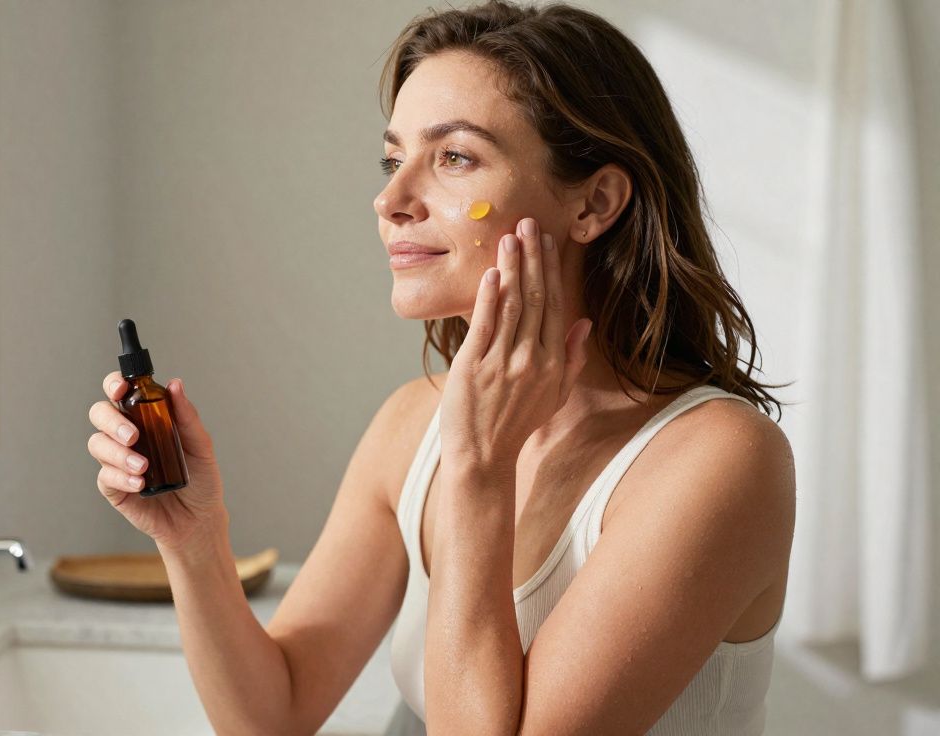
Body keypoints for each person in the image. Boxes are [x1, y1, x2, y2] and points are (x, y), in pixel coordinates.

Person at [86, 1, 796, 733]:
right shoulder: (411, 425)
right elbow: (275, 714)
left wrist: (479, 469)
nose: (390, 199)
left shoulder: (719, 461)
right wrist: (194, 542)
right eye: (394, 159)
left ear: (595, 202)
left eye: (454, 157)